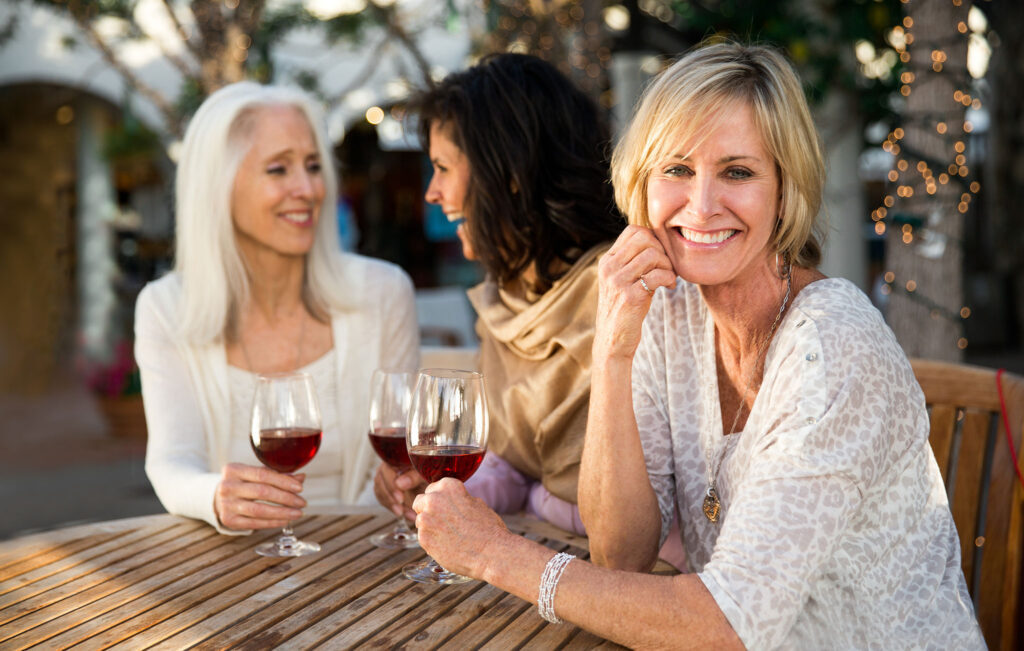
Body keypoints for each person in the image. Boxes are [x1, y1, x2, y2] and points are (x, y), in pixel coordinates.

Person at [407, 42, 985, 648]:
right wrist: (613, 347)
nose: (702, 206)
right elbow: (620, 552)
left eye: (738, 172)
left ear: (786, 189)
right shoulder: (671, 309)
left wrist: (498, 555)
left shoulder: (831, 348)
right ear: (642, 183)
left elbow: (724, 625)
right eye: (677, 169)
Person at [135, 82, 419, 534]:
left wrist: (358, 532)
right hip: (229, 569)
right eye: (278, 169)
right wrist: (214, 497)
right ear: (219, 187)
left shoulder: (383, 293)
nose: (307, 189)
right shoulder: (166, 308)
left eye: (312, 166)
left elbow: (396, 465)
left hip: (367, 559)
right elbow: (172, 463)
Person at [374, 53, 625, 535]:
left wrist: (536, 499)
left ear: (508, 173)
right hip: (535, 562)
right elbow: (514, 465)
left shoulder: (624, 289)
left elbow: (649, 503)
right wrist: (444, 491)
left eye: (443, 168)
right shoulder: (504, 297)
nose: (432, 193)